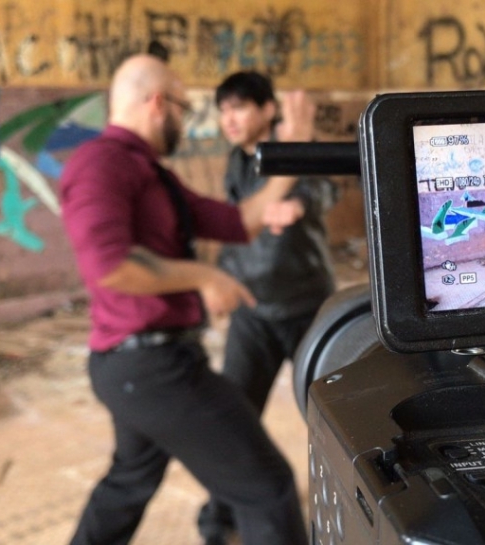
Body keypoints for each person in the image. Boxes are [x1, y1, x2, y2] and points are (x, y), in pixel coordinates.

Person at [59, 54, 308, 545]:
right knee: (267, 488)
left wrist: (294, 152)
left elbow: (240, 221)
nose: (186, 121)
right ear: (158, 103)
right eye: (184, 108)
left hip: (140, 367)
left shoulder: (152, 174)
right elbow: (110, 266)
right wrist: (204, 276)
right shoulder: (101, 163)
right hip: (153, 368)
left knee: (129, 481)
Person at [196, 70, 336, 544]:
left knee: (332, 416)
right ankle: (220, 517)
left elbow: (325, 188)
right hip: (252, 307)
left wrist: (298, 205)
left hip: (305, 306)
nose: (229, 119)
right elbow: (238, 220)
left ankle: (344, 510)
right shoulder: (237, 160)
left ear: (268, 109)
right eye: (223, 110)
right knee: (234, 418)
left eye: (238, 107)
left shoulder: (297, 144)